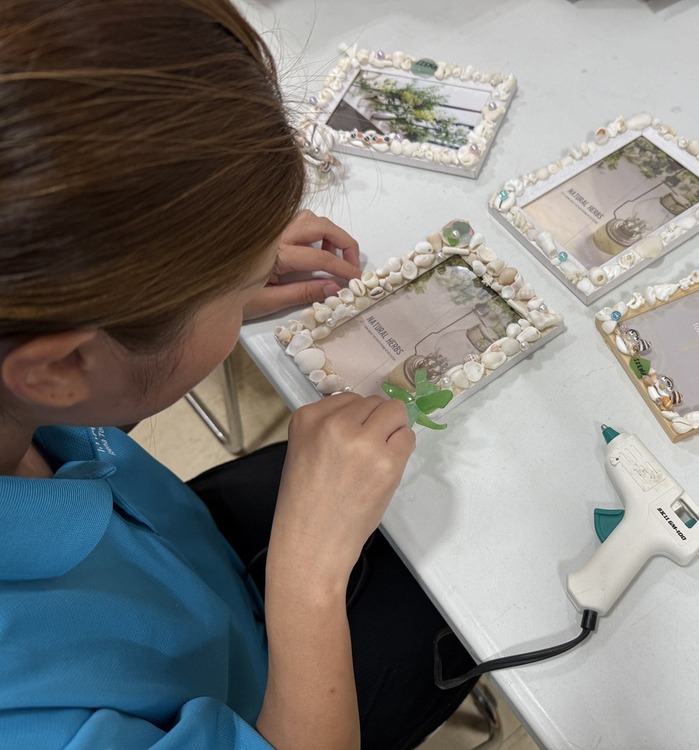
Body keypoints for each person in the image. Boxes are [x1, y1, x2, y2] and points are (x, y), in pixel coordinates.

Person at [0, 1, 474, 747]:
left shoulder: (24, 378)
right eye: (229, 288)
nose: (252, 281)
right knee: (473, 590)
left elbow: (85, 407)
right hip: (275, 708)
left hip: (189, 557)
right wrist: (307, 580)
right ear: (60, 365)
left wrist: (195, 275)